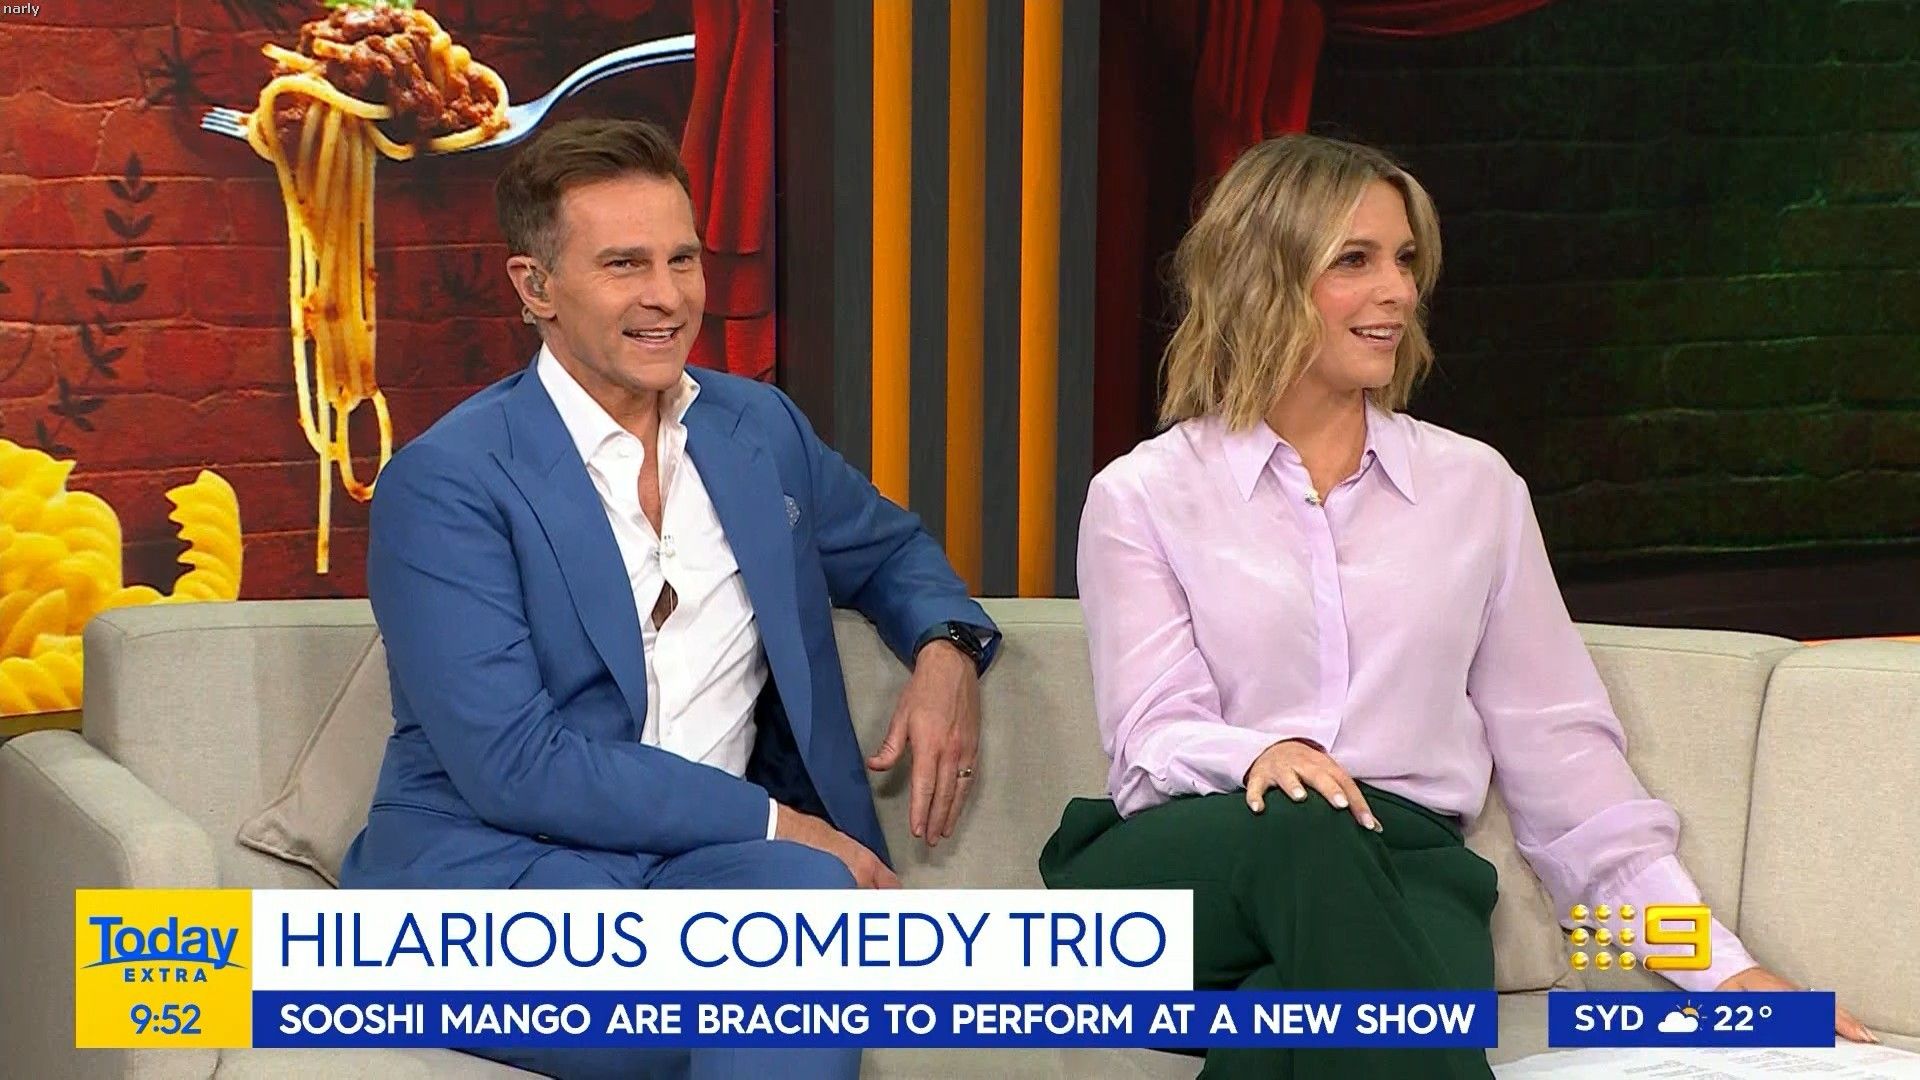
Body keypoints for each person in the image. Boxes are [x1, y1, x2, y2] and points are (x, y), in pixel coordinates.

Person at [1038, 134, 1871, 1080]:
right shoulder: (1144, 496)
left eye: (1405, 260)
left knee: (1292, 1032)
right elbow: (1151, 735)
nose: (1397, 291)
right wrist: (1265, 756)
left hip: (1407, 865)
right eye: (1355, 261)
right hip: (1194, 865)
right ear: (1261, 279)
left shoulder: (1476, 491)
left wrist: (1723, 972)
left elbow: (1566, 769)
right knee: (1306, 828)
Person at [339, 117, 998, 1080]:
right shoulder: (449, 482)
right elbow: (516, 765)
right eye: (624, 265)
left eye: (683, 260)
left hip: (697, 873)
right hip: (500, 873)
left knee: (805, 921)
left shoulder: (756, 428)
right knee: (768, 978)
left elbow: (891, 550)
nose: (667, 297)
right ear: (535, 288)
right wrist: (775, 823)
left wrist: (946, 652)